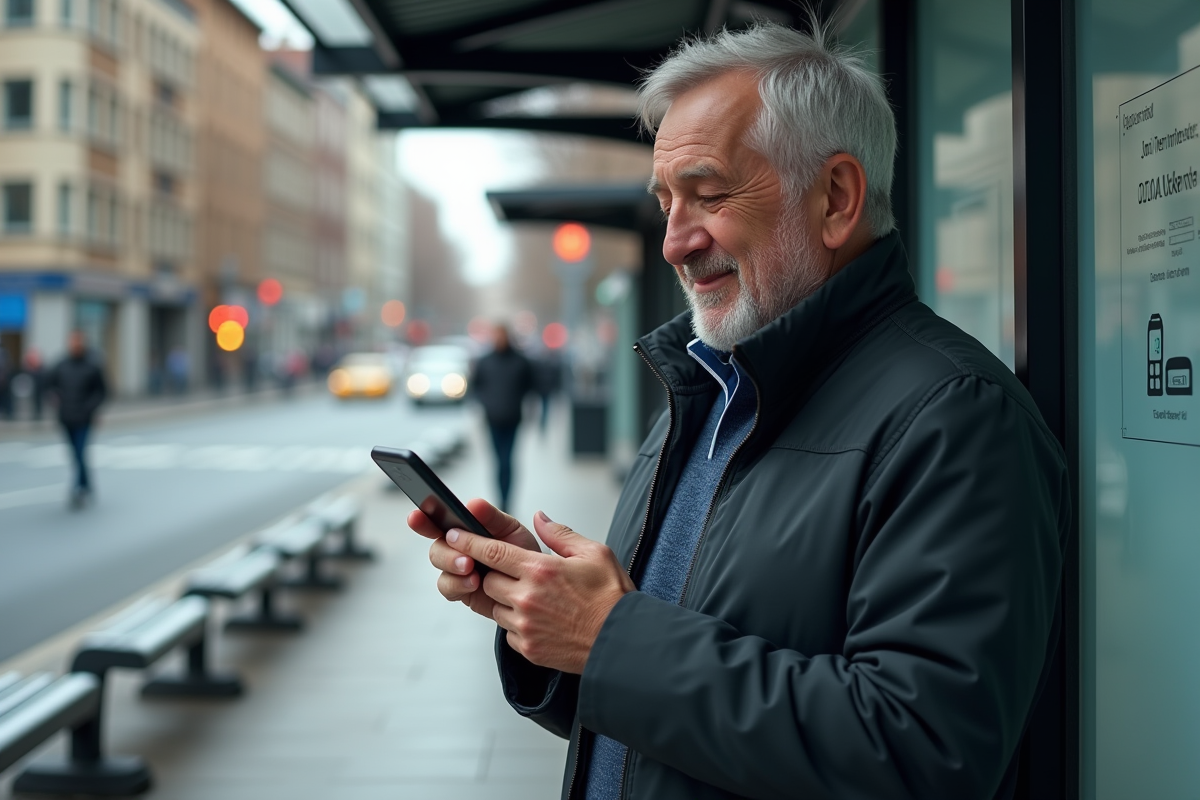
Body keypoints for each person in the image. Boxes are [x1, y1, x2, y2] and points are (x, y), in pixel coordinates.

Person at [409, 20, 1069, 800]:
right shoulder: (713, 391)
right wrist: (547, 622)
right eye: (666, 203)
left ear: (836, 198)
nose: (675, 243)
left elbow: (919, 756)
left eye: (709, 195)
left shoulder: (958, 418)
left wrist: (608, 637)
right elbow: (669, 704)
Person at [470, 324, 535, 511]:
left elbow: (530, 386)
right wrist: (485, 403)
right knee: (498, 461)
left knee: (508, 461)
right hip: (493, 419)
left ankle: (507, 501)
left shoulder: (520, 361)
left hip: (513, 418)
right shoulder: (485, 361)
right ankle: (500, 498)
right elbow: (476, 387)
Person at [46, 330, 107, 509]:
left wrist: (90, 408)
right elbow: (49, 385)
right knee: (75, 455)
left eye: (78, 342)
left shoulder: (92, 366)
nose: (75, 345)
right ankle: (87, 484)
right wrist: (54, 398)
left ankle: (77, 489)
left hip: (84, 418)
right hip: (66, 418)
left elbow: (102, 392)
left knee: (80, 453)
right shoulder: (61, 365)